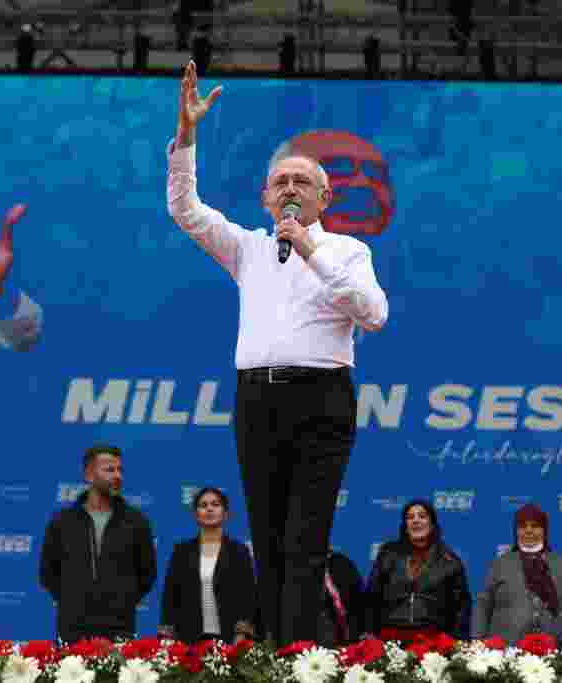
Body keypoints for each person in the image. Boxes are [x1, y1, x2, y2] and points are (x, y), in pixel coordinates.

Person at [166, 60, 389, 647]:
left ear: (325, 195)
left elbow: (374, 315)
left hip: (323, 398)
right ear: (265, 197)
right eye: (280, 182)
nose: (289, 189)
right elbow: (186, 211)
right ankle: (275, 650)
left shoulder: (346, 250)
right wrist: (187, 136)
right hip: (257, 397)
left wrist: (310, 250)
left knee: (306, 534)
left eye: (302, 182)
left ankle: (299, 652)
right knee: (267, 534)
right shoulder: (246, 249)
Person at [39, 444, 157, 644]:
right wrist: (73, 600)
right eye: (109, 470)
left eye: (120, 470)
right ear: (89, 474)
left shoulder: (137, 522)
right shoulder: (62, 522)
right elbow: (47, 573)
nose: (117, 475)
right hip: (72, 628)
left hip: (121, 627)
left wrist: (122, 600)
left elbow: (147, 574)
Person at [471, 503, 562, 644]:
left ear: (544, 530)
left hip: (555, 654)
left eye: (535, 526)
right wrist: (477, 644)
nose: (528, 530)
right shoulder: (499, 565)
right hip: (507, 656)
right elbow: (482, 606)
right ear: (516, 530)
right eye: (523, 526)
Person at [158, 487, 258, 644]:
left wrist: (242, 634)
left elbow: (248, 596)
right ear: (195, 515)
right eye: (203, 505)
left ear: (225, 513)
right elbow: (170, 596)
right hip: (189, 640)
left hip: (230, 639)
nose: (209, 509)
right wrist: (167, 637)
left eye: (215, 504)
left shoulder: (239, 550)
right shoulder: (182, 551)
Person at [363, 499, 471, 642]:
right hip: (389, 637)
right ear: (405, 526)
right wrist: (369, 631)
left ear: (432, 524)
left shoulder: (449, 561)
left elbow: (461, 608)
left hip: (432, 639)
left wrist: (456, 641)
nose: (416, 521)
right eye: (410, 517)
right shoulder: (388, 554)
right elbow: (372, 596)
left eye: (422, 516)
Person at [324, 548, 365, 646]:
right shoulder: (304, 567)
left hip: (350, 623)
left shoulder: (341, 562)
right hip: (327, 628)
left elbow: (357, 591)